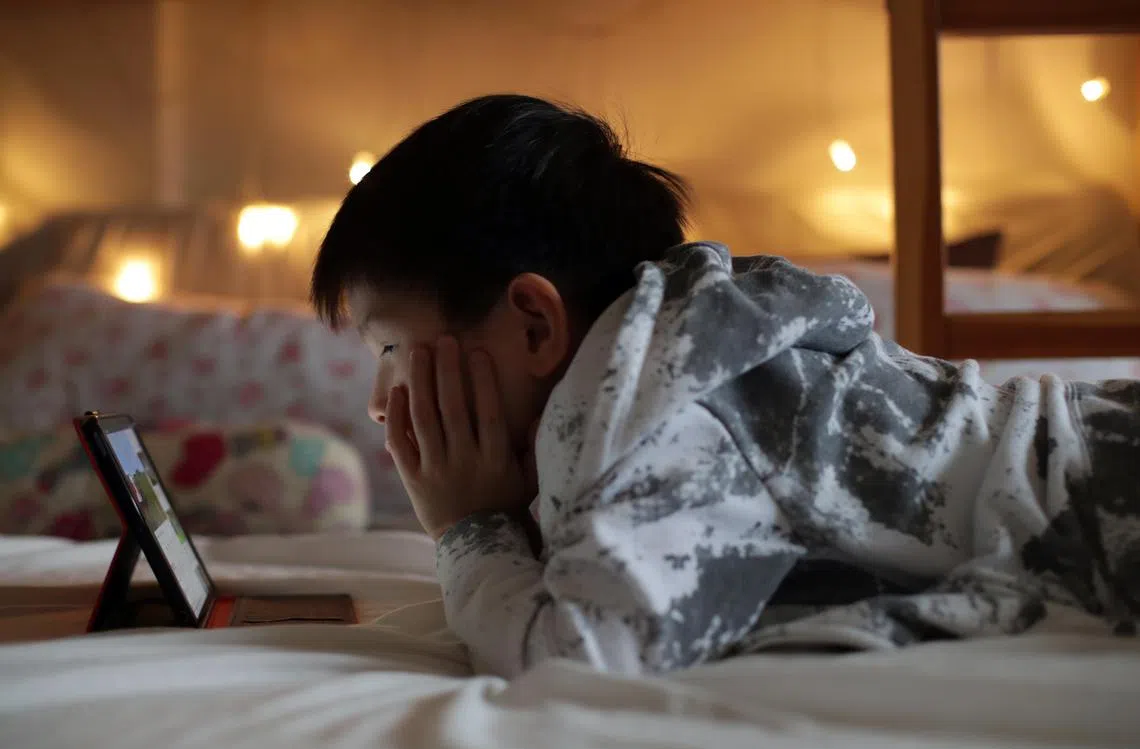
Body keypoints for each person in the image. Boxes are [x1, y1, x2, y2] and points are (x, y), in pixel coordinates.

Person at [311, 94, 1140, 678]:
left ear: (534, 324)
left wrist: (468, 531)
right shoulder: (685, 347)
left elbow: (582, 660)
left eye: (389, 346)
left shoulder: (648, 395)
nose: (382, 401)